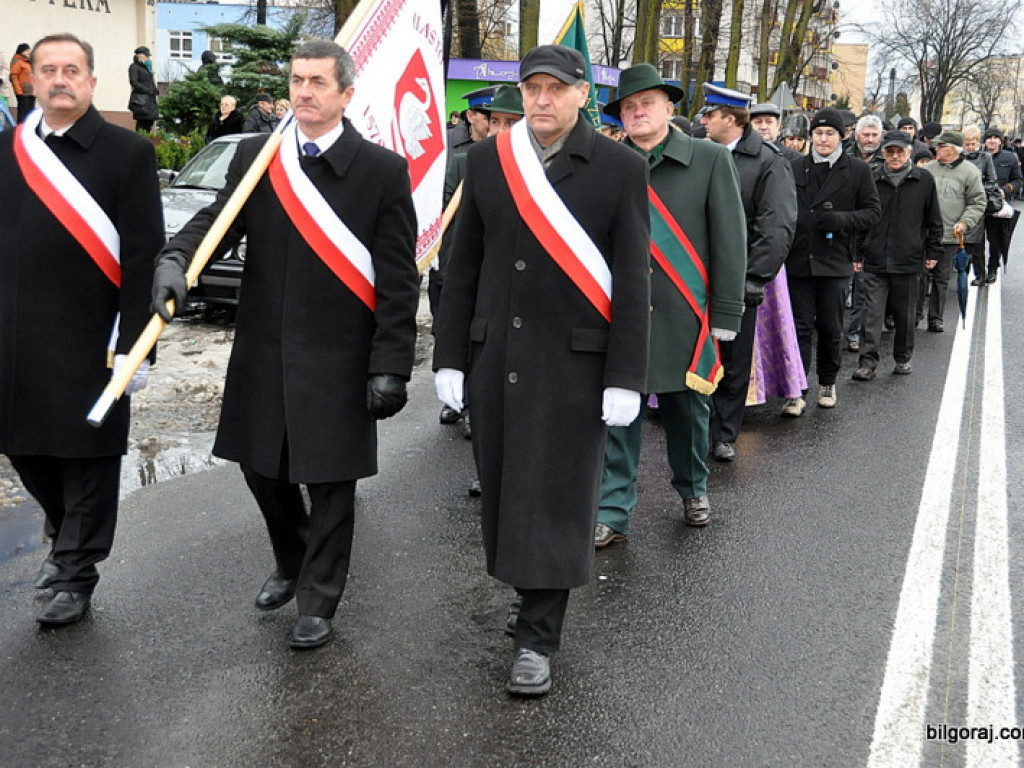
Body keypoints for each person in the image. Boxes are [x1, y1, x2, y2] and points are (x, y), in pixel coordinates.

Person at [152, 40, 419, 650]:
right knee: (260, 466)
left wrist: (392, 364)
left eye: (319, 82)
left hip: (340, 355)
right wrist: (174, 262)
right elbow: (214, 225)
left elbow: (398, 278)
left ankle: (319, 598)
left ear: (346, 94)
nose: (304, 92)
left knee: (330, 480)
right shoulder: (258, 155)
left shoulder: (380, 171)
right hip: (264, 347)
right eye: (298, 80)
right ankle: (293, 554)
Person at [433, 45, 651, 697]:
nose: (543, 99)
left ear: (583, 94)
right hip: (498, 357)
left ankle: (537, 638)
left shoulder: (619, 168)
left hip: (575, 365)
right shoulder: (490, 162)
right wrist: (448, 356)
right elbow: (462, 265)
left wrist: (625, 374)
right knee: (506, 488)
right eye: (532, 88)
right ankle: (529, 594)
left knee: (554, 494)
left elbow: (633, 281)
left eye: (557, 88)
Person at [0, 33, 162, 626]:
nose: (60, 79)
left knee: (89, 453)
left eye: (72, 70)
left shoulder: (127, 154)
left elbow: (145, 253)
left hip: (94, 334)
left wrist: (138, 341)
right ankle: (65, 527)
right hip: (17, 334)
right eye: (49, 70)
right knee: (24, 446)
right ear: (32, 80)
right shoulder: (7, 151)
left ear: (92, 82)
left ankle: (75, 572)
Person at [593, 69, 745, 544]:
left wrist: (725, 313)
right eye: (628, 106)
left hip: (683, 315)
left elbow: (730, 241)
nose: (637, 112)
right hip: (621, 314)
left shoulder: (710, 159)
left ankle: (693, 488)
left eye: (647, 103)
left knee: (688, 414)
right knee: (619, 415)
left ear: (669, 109)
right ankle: (613, 508)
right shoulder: (606, 162)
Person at [703, 89, 797, 463]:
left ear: (730, 119)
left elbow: (777, 225)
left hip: (738, 279)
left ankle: (725, 433)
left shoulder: (768, 162)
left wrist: (754, 277)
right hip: (695, 275)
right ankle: (698, 426)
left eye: (710, 115)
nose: (702, 121)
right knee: (696, 356)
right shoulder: (700, 153)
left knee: (734, 358)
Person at [782, 107, 880, 415]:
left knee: (830, 326)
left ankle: (827, 381)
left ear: (842, 136)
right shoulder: (796, 167)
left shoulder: (857, 170)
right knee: (798, 327)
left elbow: (872, 212)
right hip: (798, 258)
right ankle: (797, 389)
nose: (823, 139)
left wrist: (839, 220)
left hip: (835, 259)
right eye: (818, 133)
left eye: (829, 134)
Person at [852, 131, 942, 380]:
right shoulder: (873, 178)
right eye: (890, 151)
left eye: (900, 151)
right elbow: (861, 219)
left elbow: (933, 219)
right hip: (875, 257)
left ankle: (902, 358)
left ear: (909, 152)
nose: (894, 156)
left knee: (905, 314)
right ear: (883, 153)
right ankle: (867, 362)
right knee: (871, 314)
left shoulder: (923, 179)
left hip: (909, 258)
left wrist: (934, 250)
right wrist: (857, 253)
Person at [919, 131, 986, 332]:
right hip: (923, 233)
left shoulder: (969, 172)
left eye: (941, 146)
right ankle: (913, 315)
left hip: (949, 235)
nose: (936, 149)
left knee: (941, 278)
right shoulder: (927, 169)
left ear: (953, 149)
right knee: (918, 277)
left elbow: (977, 202)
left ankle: (935, 318)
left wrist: (965, 222)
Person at [843, 115, 885, 354]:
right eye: (866, 134)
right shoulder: (844, 156)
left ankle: (855, 333)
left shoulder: (884, 161)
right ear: (856, 135)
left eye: (874, 135)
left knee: (862, 288)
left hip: (869, 230)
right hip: (843, 226)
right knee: (838, 286)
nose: (870, 139)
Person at [981, 127, 1022, 283]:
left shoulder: (1010, 158)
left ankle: (992, 268)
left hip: (998, 205)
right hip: (977, 203)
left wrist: (1005, 191)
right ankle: (978, 270)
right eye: (989, 137)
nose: (992, 140)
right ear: (984, 141)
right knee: (977, 240)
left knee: (995, 240)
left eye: (995, 137)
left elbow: (1018, 181)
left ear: (1001, 141)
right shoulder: (977, 156)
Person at [962, 126, 1000, 285]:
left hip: (978, 202)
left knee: (977, 242)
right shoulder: (959, 157)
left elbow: (992, 181)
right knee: (962, 240)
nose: (970, 147)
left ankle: (980, 274)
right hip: (961, 201)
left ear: (978, 143)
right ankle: (963, 273)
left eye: (973, 144)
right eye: (967, 144)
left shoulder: (985, 158)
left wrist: (976, 189)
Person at [446, 85, 496, 154]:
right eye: (488, 119)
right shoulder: (445, 141)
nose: (493, 126)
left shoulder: (505, 145)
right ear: (470, 116)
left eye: (496, 121)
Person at [128, 46, 159, 133]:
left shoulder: (147, 68)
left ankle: (146, 141)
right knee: (142, 123)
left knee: (150, 121)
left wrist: (155, 90)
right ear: (140, 56)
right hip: (141, 100)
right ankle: (139, 143)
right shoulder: (134, 67)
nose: (148, 58)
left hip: (150, 100)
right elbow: (133, 82)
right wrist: (146, 90)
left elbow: (150, 81)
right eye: (147, 56)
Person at [10, 44, 33, 123]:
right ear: (21, 51)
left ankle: (28, 131)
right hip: (23, 93)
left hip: (31, 93)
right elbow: (13, 76)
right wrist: (18, 92)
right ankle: (20, 131)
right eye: (26, 51)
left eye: (29, 51)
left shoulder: (28, 62)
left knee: (30, 115)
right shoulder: (17, 61)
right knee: (23, 115)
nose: (28, 52)